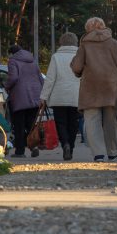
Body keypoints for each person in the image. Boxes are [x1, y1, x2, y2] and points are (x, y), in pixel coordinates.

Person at [70, 17, 117, 162]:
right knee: (112, 121)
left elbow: (77, 67)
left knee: (92, 120)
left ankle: (98, 154)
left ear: (88, 29)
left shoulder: (84, 45)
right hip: (112, 86)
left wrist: (76, 69)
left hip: (91, 87)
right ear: (104, 27)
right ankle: (113, 151)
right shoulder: (114, 43)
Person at [38, 32, 80, 161]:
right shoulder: (80, 56)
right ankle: (71, 147)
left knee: (61, 123)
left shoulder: (56, 57)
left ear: (61, 42)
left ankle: (65, 144)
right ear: (75, 42)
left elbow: (50, 79)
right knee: (73, 123)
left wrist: (43, 97)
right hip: (76, 96)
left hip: (59, 96)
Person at [4, 45, 44, 158]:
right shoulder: (33, 60)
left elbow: (13, 78)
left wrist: (6, 86)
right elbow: (40, 78)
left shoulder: (13, 61)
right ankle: (34, 146)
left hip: (20, 97)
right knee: (31, 125)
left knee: (19, 125)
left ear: (11, 53)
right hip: (35, 95)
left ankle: (20, 152)